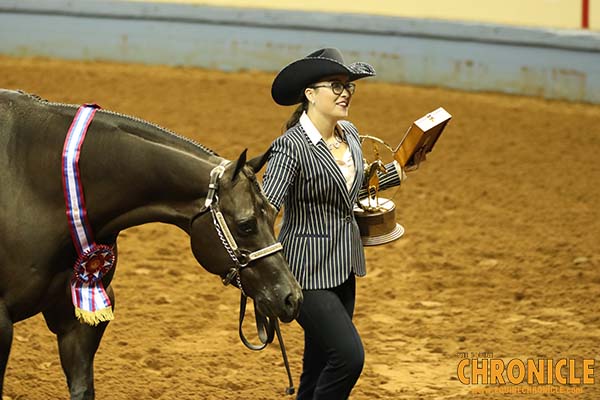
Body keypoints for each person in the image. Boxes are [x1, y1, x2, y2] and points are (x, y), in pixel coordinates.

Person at [262, 48, 407, 399]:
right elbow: (266, 210)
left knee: (319, 361)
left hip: (344, 267)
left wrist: (397, 171)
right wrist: (261, 272)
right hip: (304, 271)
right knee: (348, 357)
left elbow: (350, 190)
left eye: (349, 87)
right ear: (310, 94)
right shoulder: (289, 148)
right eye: (336, 85)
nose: (345, 93)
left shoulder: (351, 135)